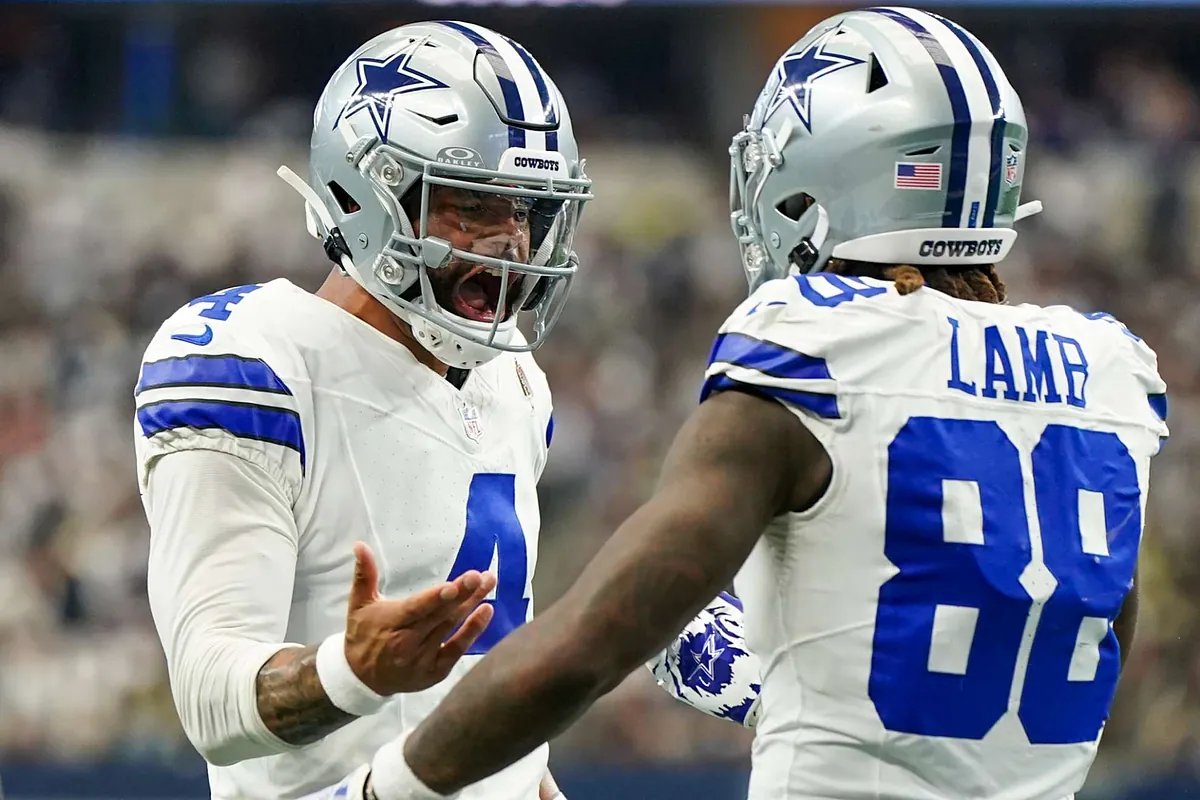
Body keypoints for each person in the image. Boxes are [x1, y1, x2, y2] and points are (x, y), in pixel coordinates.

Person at [321, 7, 1169, 800]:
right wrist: (789, 676)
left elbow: (580, 655)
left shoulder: (815, 341)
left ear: (834, 173)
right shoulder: (1108, 372)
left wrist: (383, 788)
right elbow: (1072, 652)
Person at [137, 20, 759, 800]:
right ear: (364, 195)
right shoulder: (254, 364)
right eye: (471, 205)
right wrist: (351, 672)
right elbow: (209, 701)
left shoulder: (513, 379)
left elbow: (476, 678)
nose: (509, 244)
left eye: (525, 211)